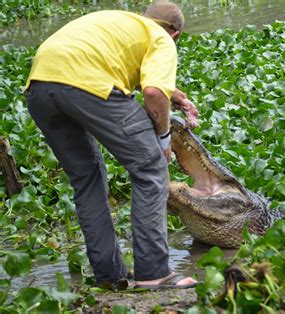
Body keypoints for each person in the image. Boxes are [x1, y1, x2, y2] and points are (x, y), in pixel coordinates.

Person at [25, 1, 199, 290]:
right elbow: (154, 92)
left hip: (40, 88)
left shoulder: (121, 21)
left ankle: (110, 276)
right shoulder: (162, 39)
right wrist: (164, 138)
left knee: (87, 178)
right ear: (175, 34)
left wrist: (174, 94)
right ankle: (154, 272)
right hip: (85, 86)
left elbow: (118, 66)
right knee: (150, 167)